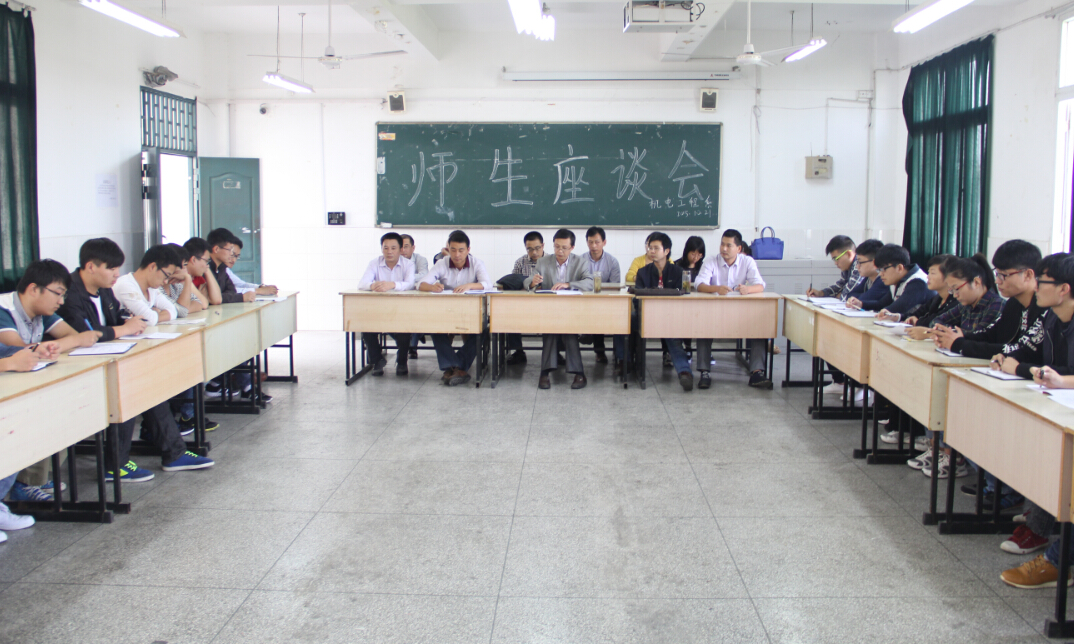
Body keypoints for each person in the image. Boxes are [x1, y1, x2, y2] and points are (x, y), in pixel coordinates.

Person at [59, 239, 214, 479]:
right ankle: (117, 465)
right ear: (90, 267)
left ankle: (174, 454)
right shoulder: (70, 293)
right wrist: (124, 328)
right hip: (75, 367)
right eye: (111, 269)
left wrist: (126, 326)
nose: (116, 274)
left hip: (107, 359)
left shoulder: (104, 290)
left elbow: (120, 322)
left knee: (144, 386)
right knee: (127, 390)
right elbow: (86, 334)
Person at [995, 254, 1074, 589]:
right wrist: (1009, 360)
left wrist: (1054, 379)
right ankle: (1040, 526)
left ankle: (1058, 560)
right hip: (1059, 404)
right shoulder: (1052, 317)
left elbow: (1060, 374)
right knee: (1045, 451)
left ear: (1064, 289)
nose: (1037, 288)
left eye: (1043, 282)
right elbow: (1037, 359)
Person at [0, 260, 100, 501]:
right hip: (9, 393)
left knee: (72, 407)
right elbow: (19, 351)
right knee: (43, 413)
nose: (61, 302)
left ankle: (34, 477)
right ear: (34, 289)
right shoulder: (4, 309)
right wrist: (62, 344)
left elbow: (76, 337)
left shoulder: (41, 312)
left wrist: (54, 345)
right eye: (58, 293)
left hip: (26, 384)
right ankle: (24, 482)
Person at [933, 240, 1045, 360]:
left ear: (1028, 275)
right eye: (997, 274)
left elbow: (1021, 350)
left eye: (1003, 275)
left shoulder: (1045, 308)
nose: (997, 281)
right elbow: (992, 334)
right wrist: (958, 337)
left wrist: (959, 344)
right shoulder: (1014, 304)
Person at [694, 229, 770, 389]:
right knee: (703, 327)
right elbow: (699, 284)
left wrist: (748, 289)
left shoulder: (747, 261)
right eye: (722, 244)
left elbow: (760, 285)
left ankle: (756, 373)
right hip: (714, 311)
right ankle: (704, 372)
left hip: (741, 313)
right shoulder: (711, 260)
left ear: (739, 248)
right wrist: (716, 288)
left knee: (759, 326)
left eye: (729, 245)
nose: (724, 249)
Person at [419, 230, 494, 386]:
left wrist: (469, 285)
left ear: (468, 250)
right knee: (434, 328)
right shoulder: (442, 263)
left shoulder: (476, 263)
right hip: (446, 311)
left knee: (483, 330)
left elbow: (488, 284)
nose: (457, 254)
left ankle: (451, 367)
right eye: (453, 250)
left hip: (471, 312)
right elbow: (421, 284)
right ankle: (458, 368)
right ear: (448, 248)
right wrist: (432, 287)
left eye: (461, 250)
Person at [524, 229, 593, 390]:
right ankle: (545, 373)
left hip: (572, 310)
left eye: (564, 248)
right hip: (550, 310)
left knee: (569, 330)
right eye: (556, 247)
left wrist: (568, 285)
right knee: (550, 330)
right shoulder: (543, 262)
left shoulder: (580, 262)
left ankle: (578, 373)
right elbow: (527, 281)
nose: (560, 251)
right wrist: (533, 282)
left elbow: (589, 282)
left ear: (572, 248)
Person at [635, 232, 693, 391]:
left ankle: (685, 372)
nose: (651, 251)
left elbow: (683, 296)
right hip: (646, 315)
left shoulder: (678, 272)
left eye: (656, 248)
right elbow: (637, 297)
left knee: (671, 333)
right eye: (650, 248)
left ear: (666, 251)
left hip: (670, 316)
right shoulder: (643, 272)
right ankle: (630, 365)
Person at [358, 232, 415, 376]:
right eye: (386, 248)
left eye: (393, 248)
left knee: (404, 330)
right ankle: (377, 360)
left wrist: (393, 284)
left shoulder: (408, 264)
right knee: (366, 327)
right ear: (381, 249)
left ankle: (402, 362)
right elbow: (362, 284)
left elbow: (410, 284)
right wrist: (372, 285)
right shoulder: (374, 263)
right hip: (378, 309)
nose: (389, 252)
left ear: (401, 249)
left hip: (402, 309)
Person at [887, 254, 958, 339]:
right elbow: (918, 313)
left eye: (933, 273)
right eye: (929, 272)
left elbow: (934, 322)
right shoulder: (937, 298)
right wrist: (898, 317)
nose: (928, 276)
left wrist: (917, 322)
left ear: (949, 276)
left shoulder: (956, 300)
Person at [584, 226, 625, 370]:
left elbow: (615, 286)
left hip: (606, 301)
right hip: (585, 301)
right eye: (590, 242)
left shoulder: (612, 262)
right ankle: (598, 350)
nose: (594, 246)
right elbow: (578, 283)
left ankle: (619, 356)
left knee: (618, 316)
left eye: (597, 242)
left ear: (604, 242)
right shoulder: (580, 260)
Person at [112, 244, 180, 327]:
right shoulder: (126, 285)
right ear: (153, 267)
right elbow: (149, 320)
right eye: (166, 275)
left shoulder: (152, 288)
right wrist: (154, 314)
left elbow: (173, 310)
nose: (166, 281)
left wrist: (153, 315)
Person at [506, 231, 545, 365]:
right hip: (523, 305)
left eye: (537, 248)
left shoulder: (551, 261)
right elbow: (513, 284)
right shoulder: (520, 263)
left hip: (546, 304)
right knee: (509, 315)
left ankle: (554, 353)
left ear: (543, 246)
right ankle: (518, 352)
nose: (534, 252)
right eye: (530, 249)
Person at [864, 244, 935, 318]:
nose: (881, 274)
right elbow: (881, 304)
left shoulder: (918, 283)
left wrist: (884, 312)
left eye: (883, 269)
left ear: (899, 268)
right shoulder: (897, 279)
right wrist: (861, 303)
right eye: (879, 270)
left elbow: (894, 310)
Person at [206, 228, 255, 304]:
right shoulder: (204, 268)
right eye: (229, 250)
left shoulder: (222, 268)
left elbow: (232, 290)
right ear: (216, 249)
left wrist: (225, 296)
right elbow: (212, 297)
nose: (231, 254)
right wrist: (240, 297)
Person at [401, 234, 429, 359]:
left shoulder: (420, 259)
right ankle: (411, 340)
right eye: (400, 247)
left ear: (413, 248)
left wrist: (403, 280)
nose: (403, 250)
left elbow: (424, 275)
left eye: (406, 246)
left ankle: (412, 345)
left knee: (417, 316)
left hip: (417, 298)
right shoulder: (393, 260)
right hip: (399, 298)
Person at [808, 235, 863, 299]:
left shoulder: (859, 266)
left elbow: (846, 296)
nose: (835, 263)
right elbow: (840, 286)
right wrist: (821, 293)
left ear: (848, 254)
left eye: (836, 259)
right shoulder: (847, 267)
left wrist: (840, 295)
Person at [844, 239, 891, 312]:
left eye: (860, 262)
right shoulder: (868, 278)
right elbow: (850, 295)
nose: (857, 266)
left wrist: (856, 299)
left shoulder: (883, 280)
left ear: (875, 262)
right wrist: (854, 299)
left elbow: (862, 300)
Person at [161, 243, 206, 318]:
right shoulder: (157, 288)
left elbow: (199, 303)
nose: (186, 270)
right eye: (184, 265)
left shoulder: (175, 285)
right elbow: (181, 311)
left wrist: (181, 310)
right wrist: (187, 279)